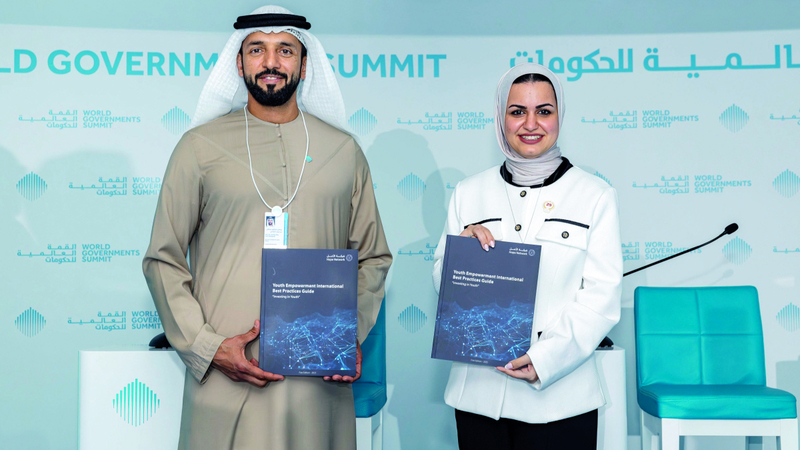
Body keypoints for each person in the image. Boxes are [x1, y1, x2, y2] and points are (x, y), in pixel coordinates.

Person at [142, 5, 392, 450]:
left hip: (316, 379)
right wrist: (207, 347)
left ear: (304, 64)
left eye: (285, 50)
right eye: (257, 49)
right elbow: (163, 258)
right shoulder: (199, 147)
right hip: (226, 378)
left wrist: (345, 335)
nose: (271, 62)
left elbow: (372, 257)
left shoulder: (343, 151)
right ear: (238, 64)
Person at [432, 63, 622, 449]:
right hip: (479, 395)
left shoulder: (594, 195)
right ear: (500, 118)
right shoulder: (469, 192)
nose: (530, 124)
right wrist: (459, 257)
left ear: (559, 116)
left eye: (544, 111)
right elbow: (443, 287)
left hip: (561, 397)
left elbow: (600, 299)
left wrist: (546, 359)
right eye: (517, 111)